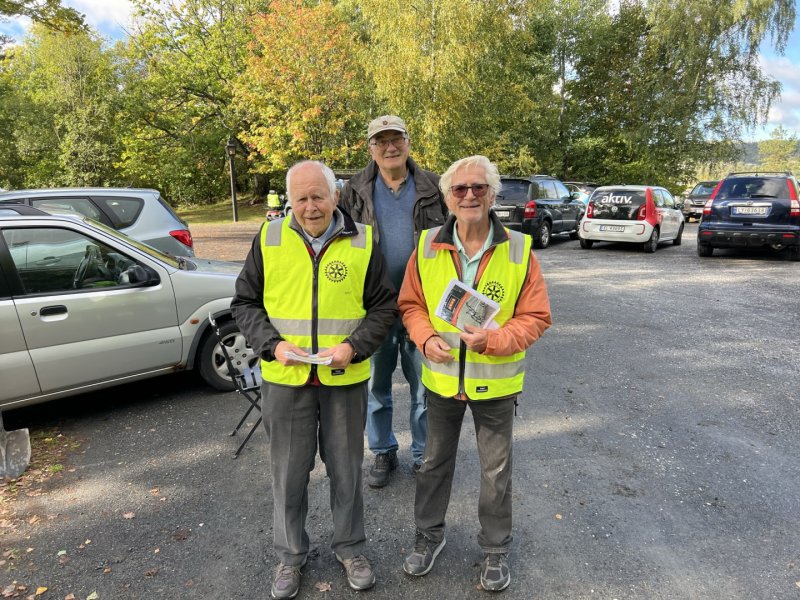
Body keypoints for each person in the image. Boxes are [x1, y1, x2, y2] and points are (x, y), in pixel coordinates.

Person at [231, 160, 398, 599]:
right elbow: (244, 302)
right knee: (288, 474)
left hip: (344, 378)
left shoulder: (363, 242)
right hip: (285, 378)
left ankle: (351, 548)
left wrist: (354, 346)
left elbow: (384, 307)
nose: (310, 207)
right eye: (301, 198)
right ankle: (290, 557)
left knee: (347, 471)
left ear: (335, 197)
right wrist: (272, 345)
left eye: (318, 196)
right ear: (290, 200)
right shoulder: (268, 238)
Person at [397, 155, 552, 592]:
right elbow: (410, 305)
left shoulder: (519, 249)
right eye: (460, 189)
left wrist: (495, 341)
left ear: (492, 194)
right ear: (447, 197)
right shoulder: (427, 245)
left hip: (497, 384)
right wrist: (426, 340)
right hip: (441, 382)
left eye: (478, 188)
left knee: (496, 473)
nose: (469, 196)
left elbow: (537, 317)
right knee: (432, 465)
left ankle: (495, 551)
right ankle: (428, 538)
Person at [339, 115, 448, 487]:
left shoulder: (436, 186)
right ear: (370, 147)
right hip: (374, 307)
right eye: (380, 141)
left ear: (408, 141)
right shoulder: (352, 190)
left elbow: (456, 240)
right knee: (375, 387)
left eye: (395, 138)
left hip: (424, 306)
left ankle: (422, 455)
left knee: (424, 387)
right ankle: (383, 450)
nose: (389, 147)